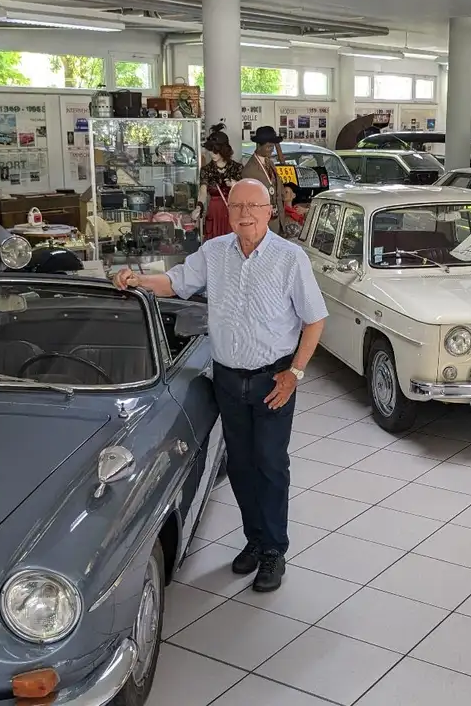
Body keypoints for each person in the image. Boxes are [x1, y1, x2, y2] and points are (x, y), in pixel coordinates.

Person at [112, 179, 326, 593]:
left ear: (269, 211)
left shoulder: (289, 258)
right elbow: (175, 283)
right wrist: (136, 280)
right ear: (228, 213)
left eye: (254, 206)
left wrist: (294, 373)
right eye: (237, 206)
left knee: (270, 465)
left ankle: (274, 550)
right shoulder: (214, 252)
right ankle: (254, 539)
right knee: (240, 466)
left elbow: (315, 320)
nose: (245, 214)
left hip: (273, 380)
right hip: (228, 379)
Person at [196, 124, 242, 241]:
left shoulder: (237, 168)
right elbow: (203, 192)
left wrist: (235, 185)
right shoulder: (206, 170)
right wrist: (199, 206)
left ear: (224, 150)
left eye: (215, 151)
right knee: (214, 243)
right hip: (214, 212)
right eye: (210, 151)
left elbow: (245, 192)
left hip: (233, 211)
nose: (212, 154)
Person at [240, 126, 288, 236]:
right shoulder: (249, 170)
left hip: (278, 220)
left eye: (272, 146)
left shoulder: (270, 163)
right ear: (258, 146)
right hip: (263, 224)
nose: (272, 150)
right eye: (268, 147)